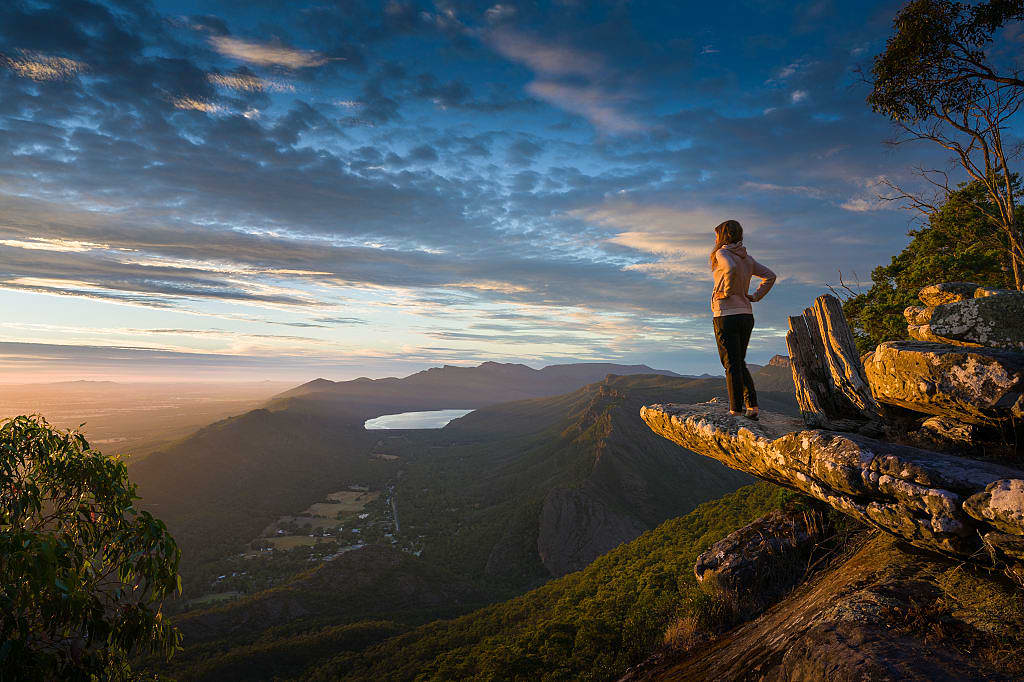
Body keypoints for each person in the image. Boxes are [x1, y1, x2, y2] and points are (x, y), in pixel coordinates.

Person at [710, 219, 776, 420]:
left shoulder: (722, 253)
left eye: (716, 235)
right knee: (739, 362)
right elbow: (770, 276)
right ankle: (752, 406)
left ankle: (735, 411)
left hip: (726, 314)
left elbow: (729, 268)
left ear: (723, 236)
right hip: (746, 315)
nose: (715, 239)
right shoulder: (748, 259)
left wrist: (727, 292)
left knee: (730, 364)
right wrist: (755, 296)